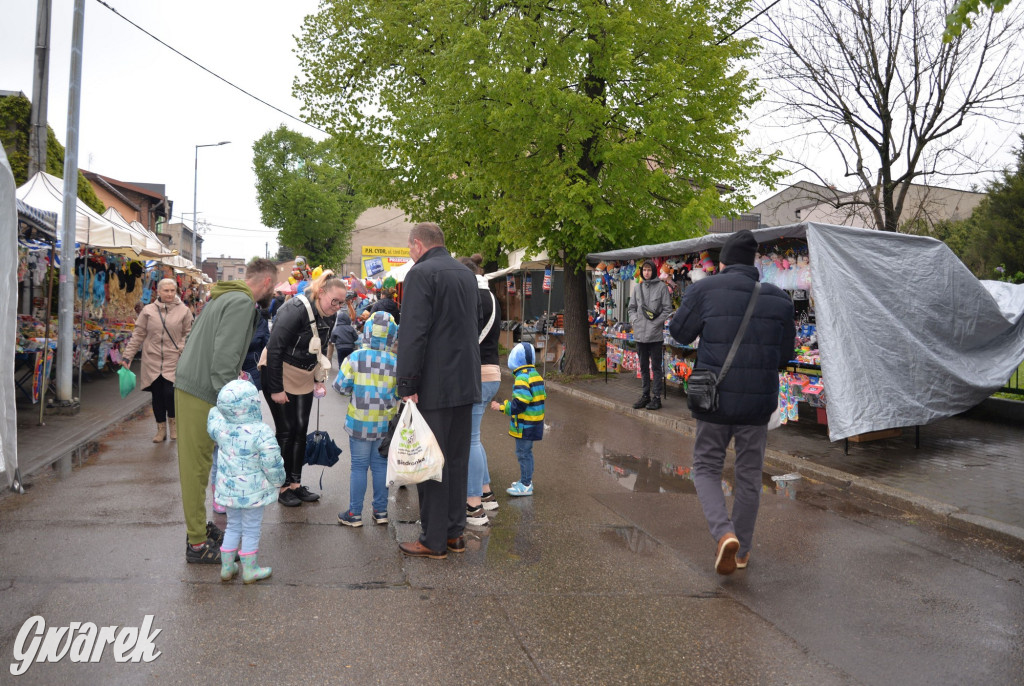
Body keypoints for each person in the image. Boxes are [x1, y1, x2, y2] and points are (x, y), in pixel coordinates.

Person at [668, 230, 795, 575]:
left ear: (722, 263)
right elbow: (785, 356)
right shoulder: (779, 300)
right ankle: (742, 551)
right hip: (758, 403)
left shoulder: (703, 290)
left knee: (707, 466)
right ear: (753, 264)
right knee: (750, 474)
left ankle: (724, 534)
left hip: (715, 400)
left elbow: (679, 333)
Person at [174, 258, 278, 564]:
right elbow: (223, 361)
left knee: (199, 464)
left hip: (194, 385)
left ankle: (199, 529)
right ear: (267, 283)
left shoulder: (225, 296)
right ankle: (196, 543)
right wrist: (234, 407)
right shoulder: (242, 304)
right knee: (195, 468)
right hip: (201, 389)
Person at [396, 222, 481, 559]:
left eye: (409, 247)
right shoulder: (466, 274)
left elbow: (414, 332)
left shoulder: (421, 274)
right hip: (465, 381)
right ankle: (453, 534)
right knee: (457, 460)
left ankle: (432, 540)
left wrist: (407, 383)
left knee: (430, 462)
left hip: (433, 384)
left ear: (418, 245)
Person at [262, 271, 347, 507]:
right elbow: (275, 349)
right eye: (335, 301)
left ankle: (295, 484)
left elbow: (318, 350)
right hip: (279, 370)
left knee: (300, 430)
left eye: (342, 302)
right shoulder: (295, 309)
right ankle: (282, 487)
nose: (338, 306)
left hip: (304, 374)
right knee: (286, 431)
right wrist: (277, 389)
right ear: (321, 293)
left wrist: (319, 377)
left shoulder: (329, 314)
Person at [208, 379, 286, 584]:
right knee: (251, 528)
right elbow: (272, 461)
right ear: (253, 404)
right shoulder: (262, 431)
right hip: (254, 493)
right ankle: (250, 570)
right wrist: (279, 480)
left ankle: (227, 567)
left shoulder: (222, 428)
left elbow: (213, 415)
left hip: (230, 491)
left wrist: (223, 407)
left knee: (233, 525)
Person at [336, 312, 400, 527]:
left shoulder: (355, 357)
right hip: (385, 423)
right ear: (392, 335)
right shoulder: (396, 361)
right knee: (381, 466)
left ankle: (354, 514)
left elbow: (340, 387)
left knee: (359, 466)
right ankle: (381, 512)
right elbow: (401, 392)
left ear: (368, 332)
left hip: (359, 421)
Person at [458, 254, 502, 527]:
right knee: (475, 437)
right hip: (492, 373)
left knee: (470, 440)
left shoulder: (472, 297)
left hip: (475, 375)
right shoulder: (492, 296)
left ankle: (473, 505)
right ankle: (486, 493)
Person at [122, 278, 193, 443]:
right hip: (152, 359)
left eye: (172, 290)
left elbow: (189, 333)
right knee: (157, 395)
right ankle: (161, 430)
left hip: (173, 358)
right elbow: (138, 335)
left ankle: (173, 426)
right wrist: (127, 356)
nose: (169, 294)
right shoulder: (148, 311)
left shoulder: (184, 310)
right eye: (166, 290)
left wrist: (181, 347)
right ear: (159, 292)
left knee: (170, 393)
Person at [490, 342, 546, 497]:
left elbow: (519, 405)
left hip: (525, 425)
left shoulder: (522, 378)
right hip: (535, 423)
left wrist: (501, 406)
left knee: (523, 453)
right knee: (527, 452)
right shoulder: (536, 375)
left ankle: (526, 484)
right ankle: (526, 480)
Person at [627, 260, 674, 411]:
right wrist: (635, 320)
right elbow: (631, 308)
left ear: (654, 271)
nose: (646, 272)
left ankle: (657, 397)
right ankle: (645, 395)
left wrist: (657, 323)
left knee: (656, 367)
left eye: (649, 270)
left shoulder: (661, 287)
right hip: (640, 334)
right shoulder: (638, 287)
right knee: (643, 367)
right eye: (644, 270)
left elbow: (667, 309)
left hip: (655, 335)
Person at [329, 307, 359, 376]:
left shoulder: (337, 329)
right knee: (350, 361)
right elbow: (356, 337)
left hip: (340, 348)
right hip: (350, 348)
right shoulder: (350, 328)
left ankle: (342, 374)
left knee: (341, 361)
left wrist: (336, 342)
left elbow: (332, 338)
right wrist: (351, 340)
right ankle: (350, 373)